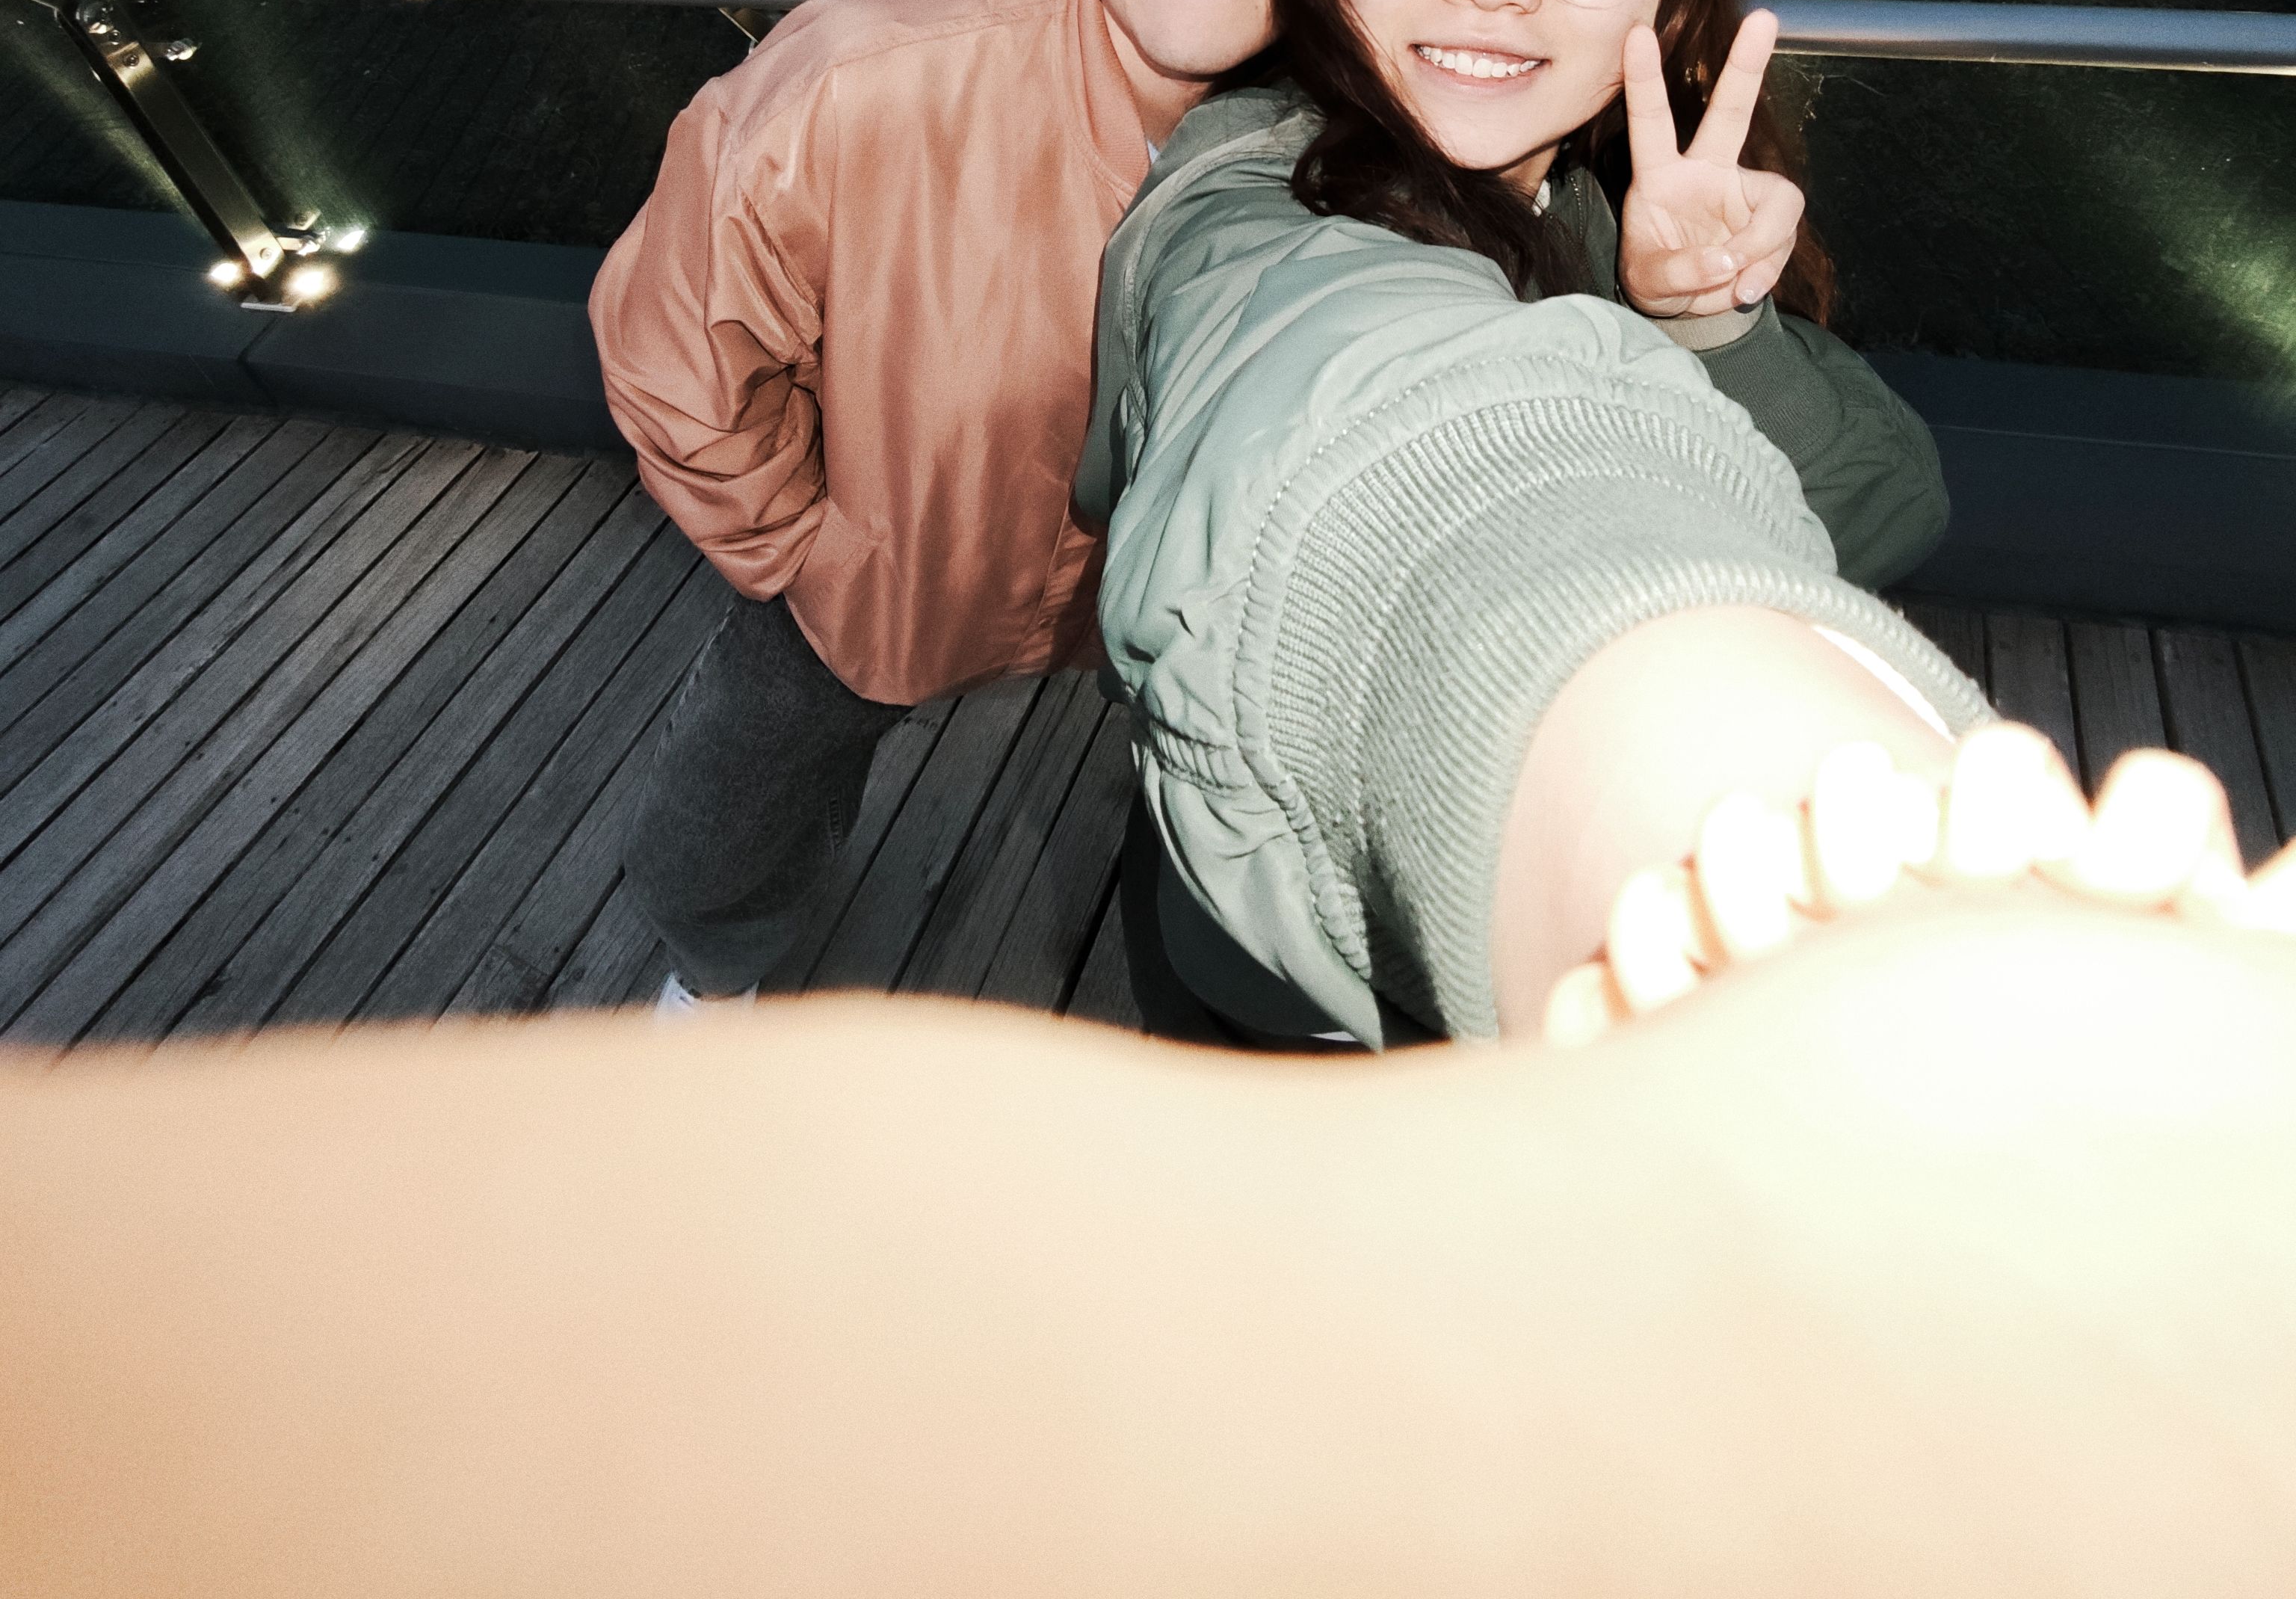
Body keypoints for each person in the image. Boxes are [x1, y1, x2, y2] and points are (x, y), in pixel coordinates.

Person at [4, 751, 2295, 1596]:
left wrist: (1709, 313)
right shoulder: (1079, 135)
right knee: (755, 807)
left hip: (1119, 686)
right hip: (916, 590)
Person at [590, 0, 1440, 1003]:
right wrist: (806, 551)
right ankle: (719, 976)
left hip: (1174, 625)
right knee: (732, 806)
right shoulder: (863, 81)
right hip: (890, 583)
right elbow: (676, 343)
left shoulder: (1412, 138)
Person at [1081, 0, 1969, 1048]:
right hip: (1304, 1037)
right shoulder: (1248, 206)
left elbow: (1891, 507)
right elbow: (1366, 413)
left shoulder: (1591, 206)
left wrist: (1703, 325)